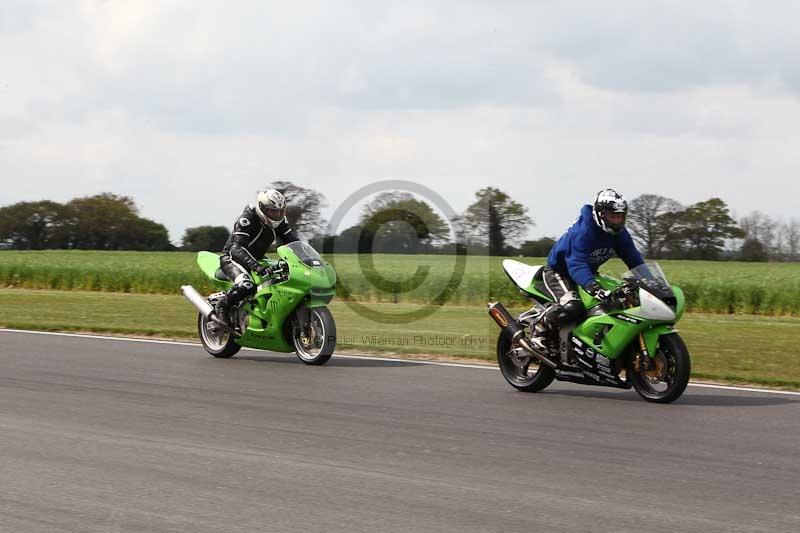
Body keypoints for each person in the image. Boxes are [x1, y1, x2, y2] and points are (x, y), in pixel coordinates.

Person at [530, 189, 645, 350]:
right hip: (560, 272)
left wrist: (649, 281)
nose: (617, 221)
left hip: (587, 274)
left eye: (620, 216)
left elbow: (634, 259)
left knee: (618, 303)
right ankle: (540, 326)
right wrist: (593, 287)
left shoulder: (620, 233)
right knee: (573, 307)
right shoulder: (584, 232)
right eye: (612, 216)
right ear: (600, 215)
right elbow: (576, 264)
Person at [214, 189, 299, 324]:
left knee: (282, 278)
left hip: (258, 259)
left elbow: (293, 242)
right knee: (247, 285)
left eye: (280, 211)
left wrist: (307, 260)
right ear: (262, 208)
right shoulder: (247, 219)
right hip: (233, 259)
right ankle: (222, 306)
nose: (277, 215)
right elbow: (237, 248)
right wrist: (257, 267)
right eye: (272, 211)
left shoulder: (280, 222)